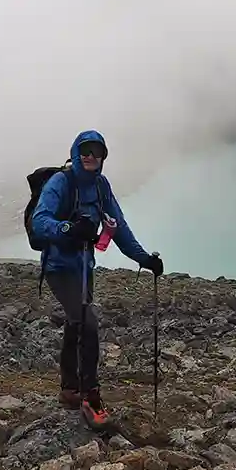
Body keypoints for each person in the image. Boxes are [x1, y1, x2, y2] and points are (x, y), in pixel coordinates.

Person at [30, 129, 164, 426]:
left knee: (76, 323)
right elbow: (40, 222)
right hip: (59, 268)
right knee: (86, 322)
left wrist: (145, 259)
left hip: (83, 268)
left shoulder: (101, 187)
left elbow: (120, 229)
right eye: (86, 150)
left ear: (104, 156)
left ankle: (68, 390)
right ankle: (91, 397)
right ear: (76, 153)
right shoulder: (60, 183)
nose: (91, 156)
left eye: (97, 151)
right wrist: (68, 229)